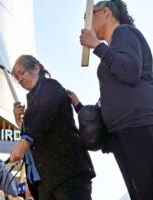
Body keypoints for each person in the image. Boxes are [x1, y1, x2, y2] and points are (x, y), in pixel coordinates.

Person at [77, 0, 153, 199]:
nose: (85, 26)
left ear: (106, 12)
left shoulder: (125, 33)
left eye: (88, 17)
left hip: (144, 124)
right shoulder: (113, 49)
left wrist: (97, 46)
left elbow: (130, 70)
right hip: (124, 131)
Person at [9, 55, 95, 200]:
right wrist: (20, 123)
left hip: (66, 172)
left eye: (22, 72)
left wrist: (25, 141)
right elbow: (40, 130)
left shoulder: (51, 86)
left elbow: (45, 116)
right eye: (17, 77)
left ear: (36, 68)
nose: (20, 79)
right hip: (45, 180)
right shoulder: (32, 101)